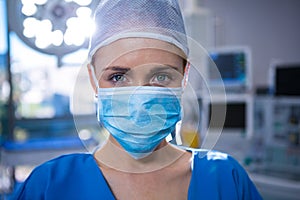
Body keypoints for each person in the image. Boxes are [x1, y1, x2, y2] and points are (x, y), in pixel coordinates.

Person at [14, 0, 262, 199]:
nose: (140, 100)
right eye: (118, 77)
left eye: (161, 76)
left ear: (184, 77)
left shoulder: (226, 179)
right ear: (93, 79)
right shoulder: (48, 186)